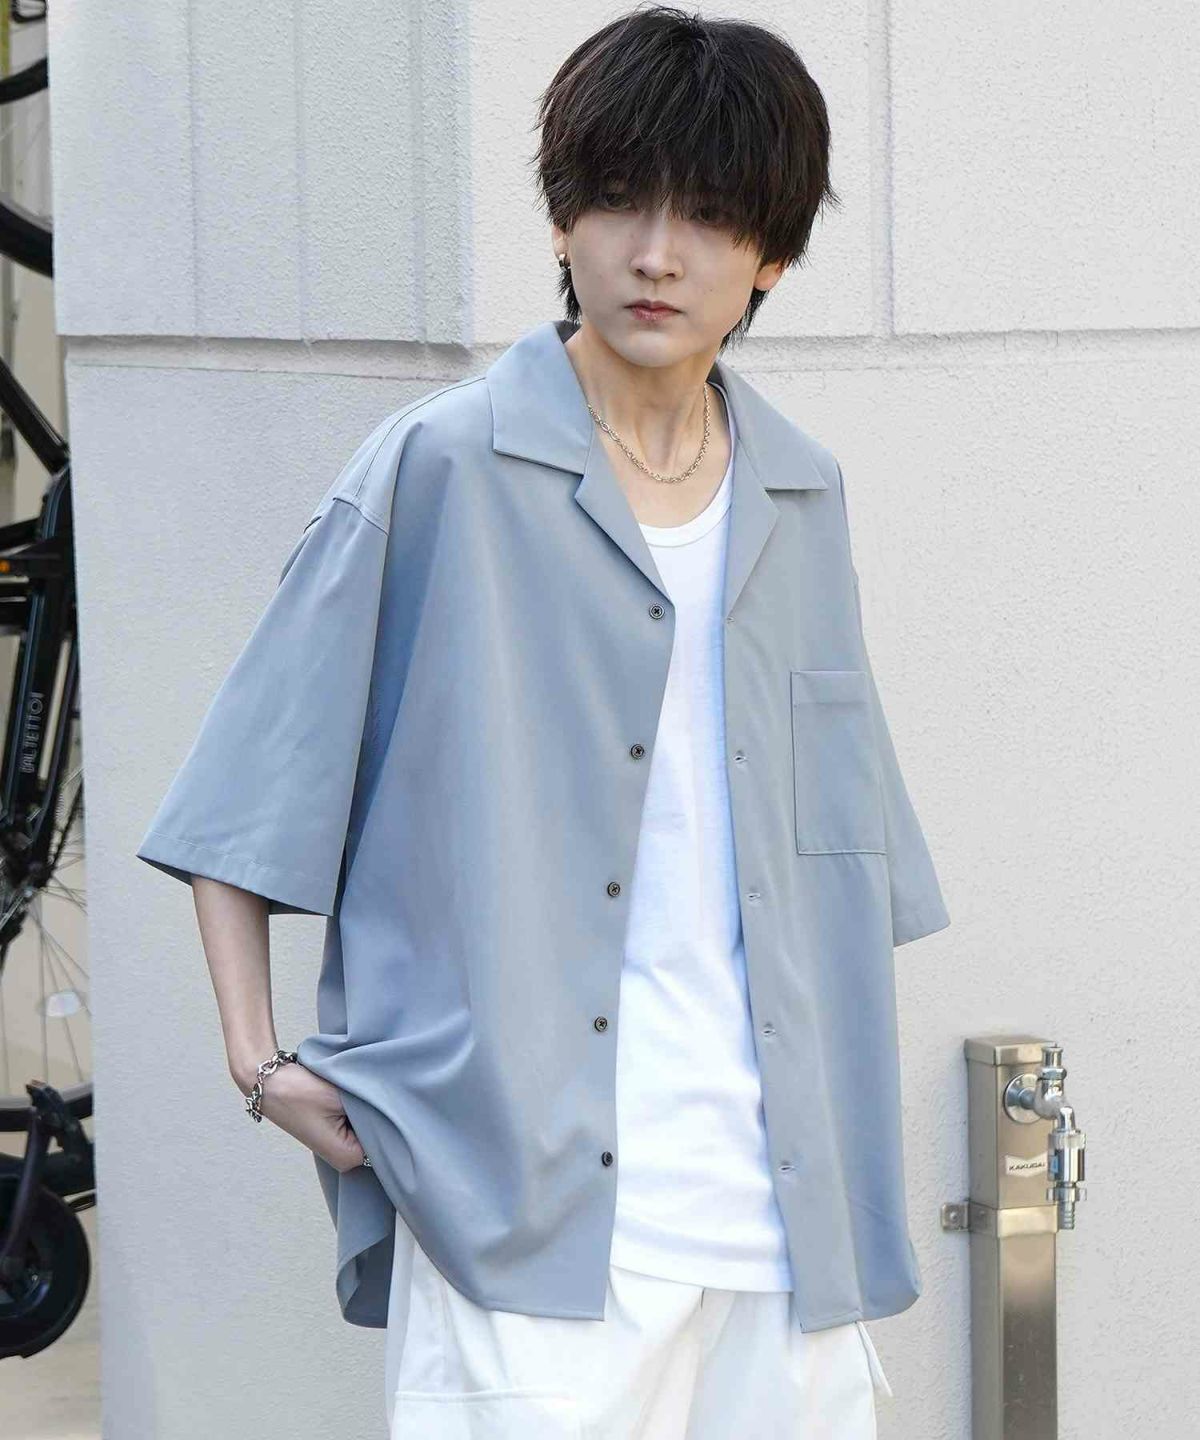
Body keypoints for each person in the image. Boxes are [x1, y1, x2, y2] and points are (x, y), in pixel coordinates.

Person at [136, 6, 949, 1437]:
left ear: (771, 254)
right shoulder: (441, 467)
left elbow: (842, 860)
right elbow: (244, 797)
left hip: (783, 1214)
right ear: (564, 221)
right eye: (620, 201)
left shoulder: (801, 492)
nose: (656, 254)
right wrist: (258, 1064)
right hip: (526, 1208)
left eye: (709, 216)